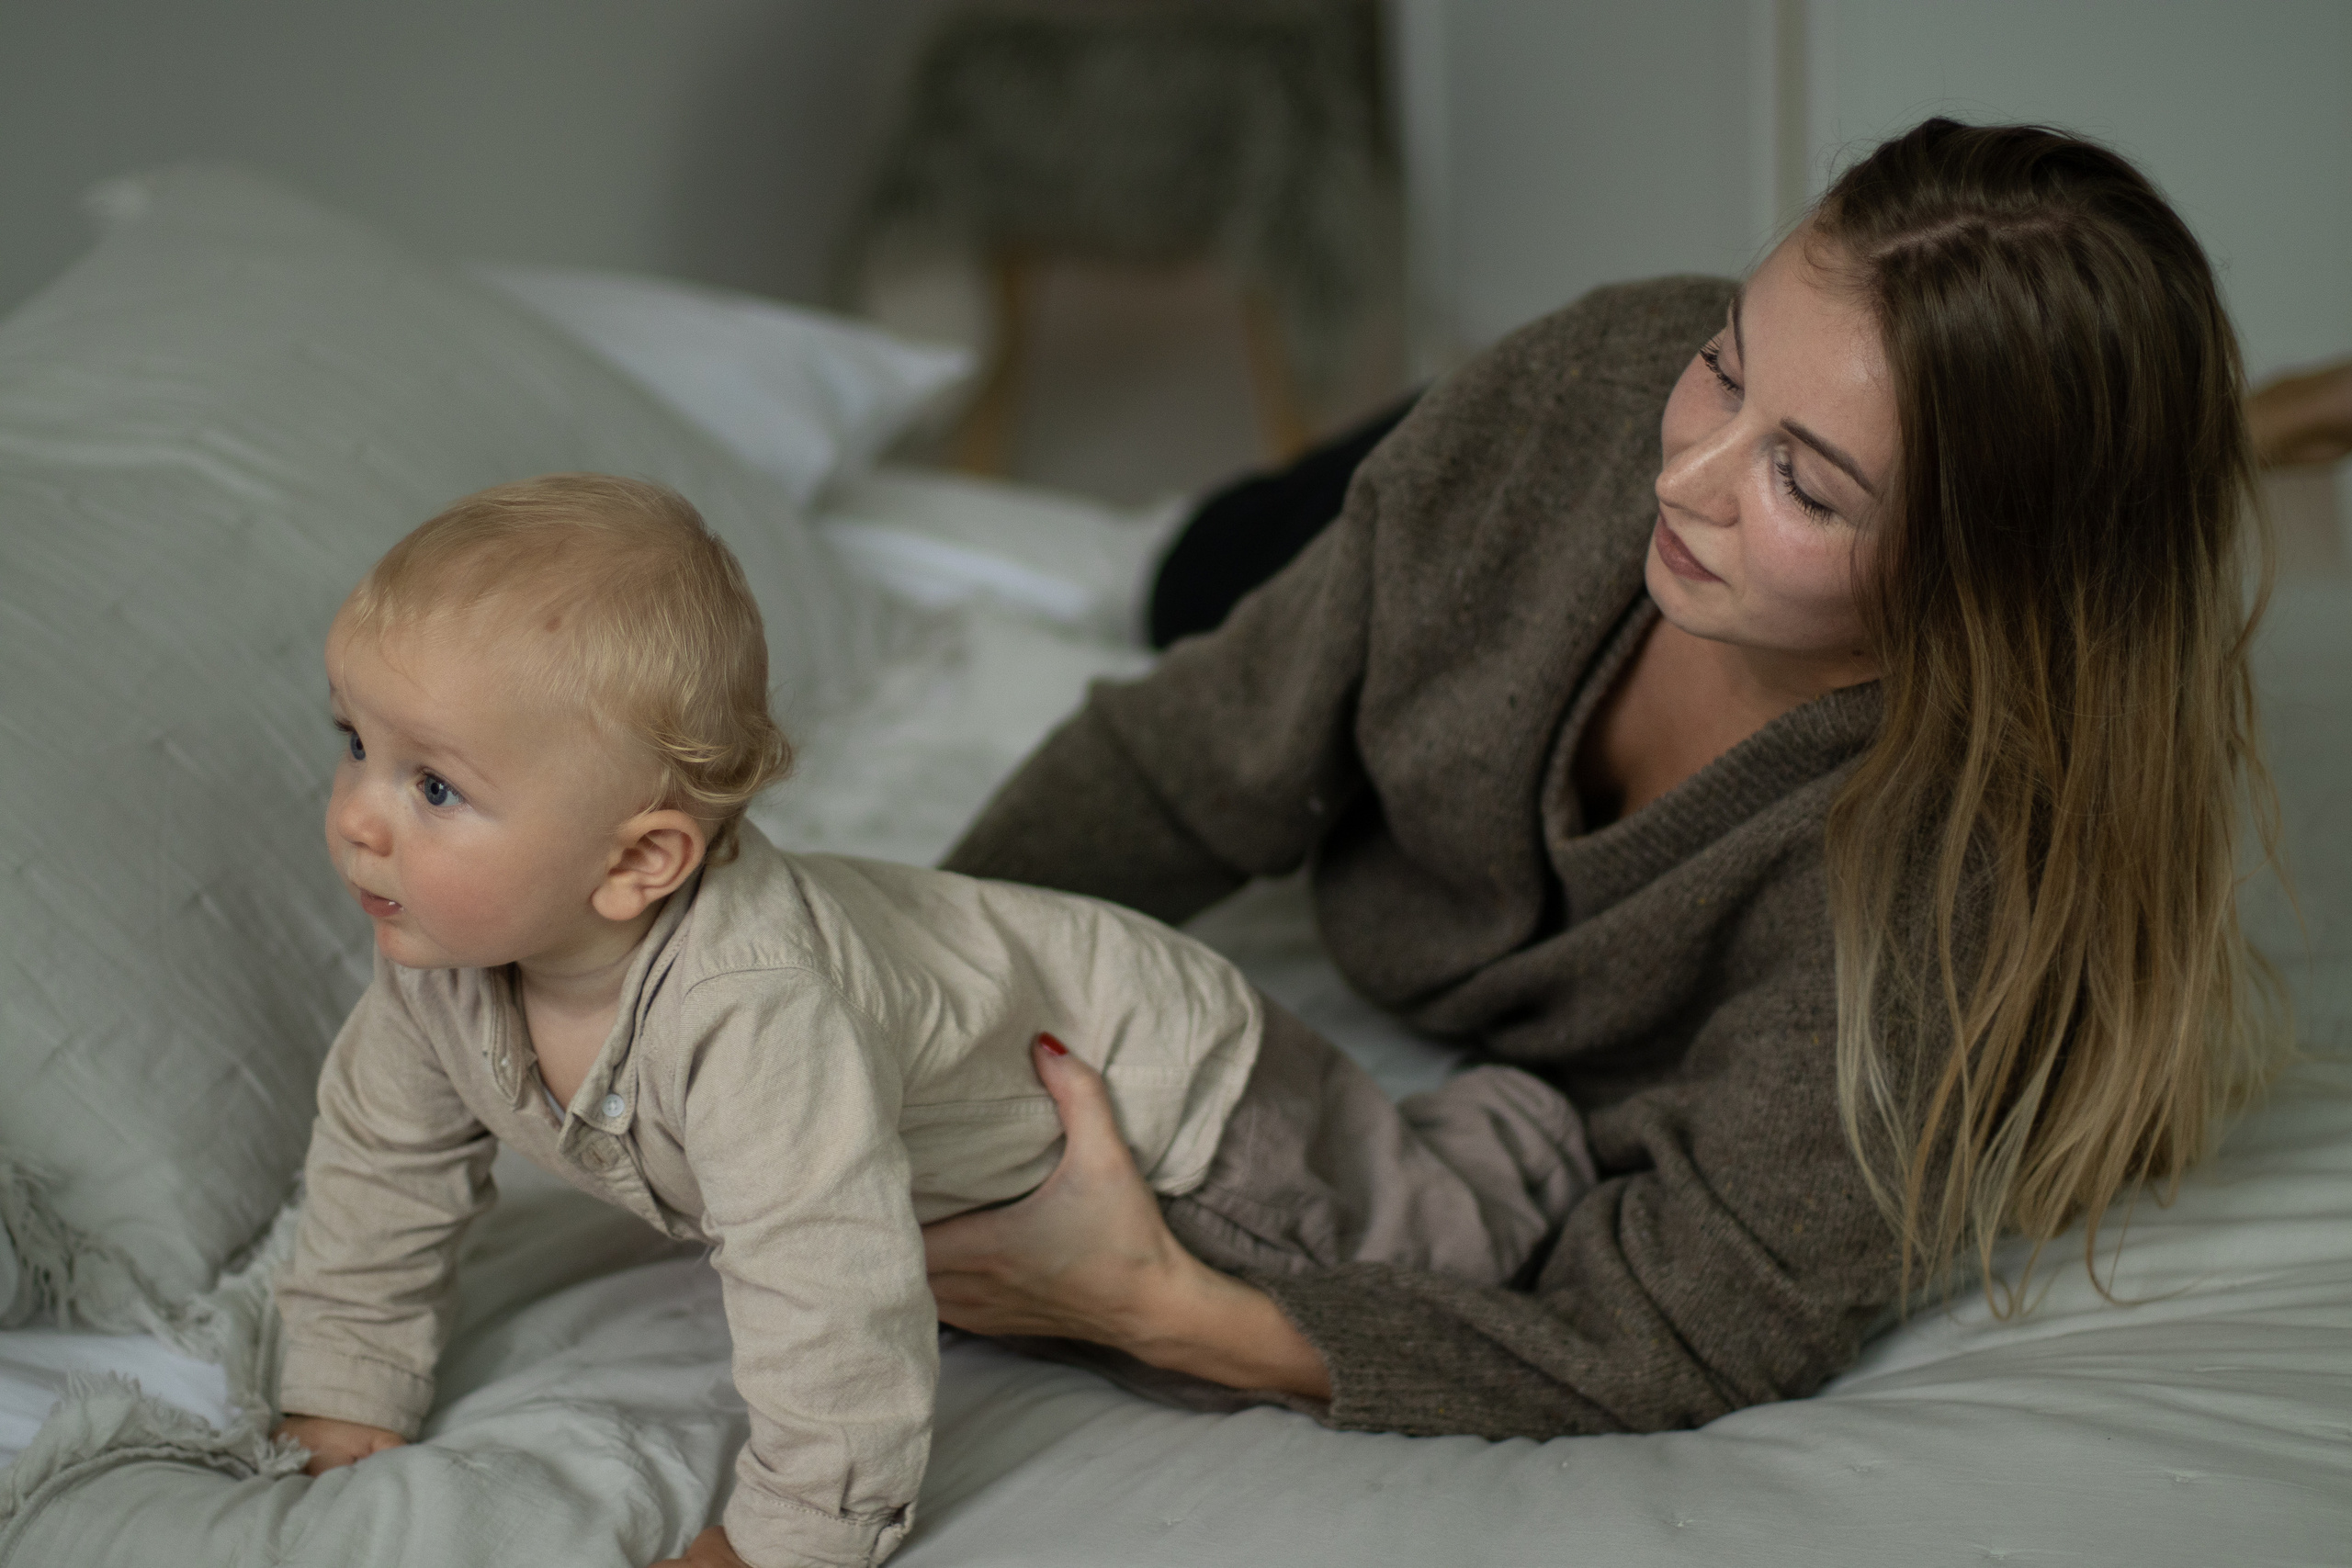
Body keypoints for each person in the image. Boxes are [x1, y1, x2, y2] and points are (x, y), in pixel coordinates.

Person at [923, 118, 2285, 1437]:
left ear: (1983, 579)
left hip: (1537, 506)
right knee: (1196, 572)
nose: (1685, 477)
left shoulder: (1946, 888)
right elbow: (1179, 762)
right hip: (1495, 451)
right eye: (1730, 363)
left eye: (1804, 484)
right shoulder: (1606, 389)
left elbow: (1669, 1325)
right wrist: (893, 998)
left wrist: (1168, 1312)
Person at [266, 475, 1635, 1568]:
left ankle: (1520, 1122)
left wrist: (785, 1541)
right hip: (992, 1107)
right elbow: (379, 1176)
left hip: (1171, 1110)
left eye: (433, 787)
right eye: (355, 745)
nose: (360, 818)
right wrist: (345, 1396)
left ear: (638, 864)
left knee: (1422, 1246)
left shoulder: (753, 1017)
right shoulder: (440, 958)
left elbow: (834, 1307)